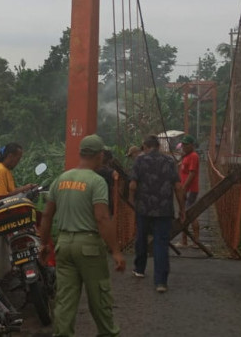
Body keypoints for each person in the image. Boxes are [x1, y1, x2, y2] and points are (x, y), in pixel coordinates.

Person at [38, 134, 126, 337]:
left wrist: (44, 244)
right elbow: (102, 218)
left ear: (80, 154)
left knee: (65, 301)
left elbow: (47, 215)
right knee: (99, 297)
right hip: (89, 247)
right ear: (100, 155)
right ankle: (108, 333)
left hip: (64, 245)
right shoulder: (96, 182)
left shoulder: (61, 179)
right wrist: (115, 251)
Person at [129, 134, 185, 293]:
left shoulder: (139, 160)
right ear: (158, 147)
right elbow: (179, 188)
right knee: (161, 243)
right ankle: (161, 282)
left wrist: (132, 202)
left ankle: (139, 269)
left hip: (143, 209)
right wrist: (182, 209)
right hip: (164, 210)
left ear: (145, 147)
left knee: (141, 238)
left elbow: (132, 186)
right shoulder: (169, 161)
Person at [176, 134, 200, 248]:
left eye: (186, 145)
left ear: (191, 145)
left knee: (190, 213)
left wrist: (184, 188)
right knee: (184, 213)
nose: (184, 146)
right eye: (183, 144)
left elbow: (192, 173)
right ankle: (184, 241)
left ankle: (196, 241)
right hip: (184, 189)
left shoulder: (193, 156)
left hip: (190, 190)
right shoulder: (186, 156)